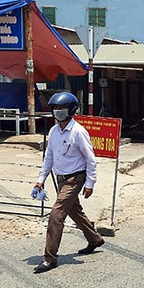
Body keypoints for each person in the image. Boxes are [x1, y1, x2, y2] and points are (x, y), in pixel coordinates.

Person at [33, 92, 104, 273]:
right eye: (55, 108)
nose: (58, 111)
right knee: (74, 211)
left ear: (71, 110)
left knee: (56, 214)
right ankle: (94, 239)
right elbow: (49, 158)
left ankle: (50, 258)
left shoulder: (78, 132)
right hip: (60, 179)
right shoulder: (53, 131)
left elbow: (91, 159)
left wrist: (90, 183)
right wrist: (40, 180)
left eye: (62, 108)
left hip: (75, 178)